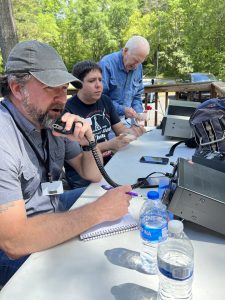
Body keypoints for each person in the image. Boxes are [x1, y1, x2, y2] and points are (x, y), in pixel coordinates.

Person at [0, 40, 133, 286]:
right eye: (53, 88)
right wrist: (98, 212)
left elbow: (90, 173)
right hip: (12, 244)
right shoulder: (3, 137)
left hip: (51, 204)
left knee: (118, 199)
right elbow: (14, 242)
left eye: (64, 88)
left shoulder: (49, 119)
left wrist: (89, 139)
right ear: (17, 88)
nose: (62, 99)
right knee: (90, 273)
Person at [64, 60, 146, 189]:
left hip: (110, 164)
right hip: (83, 174)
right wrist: (110, 144)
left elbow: (120, 129)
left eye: (100, 80)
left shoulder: (105, 100)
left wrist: (133, 131)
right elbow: (78, 153)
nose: (99, 85)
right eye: (92, 81)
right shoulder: (68, 111)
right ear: (78, 84)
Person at [99, 35, 150, 124]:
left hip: (128, 121)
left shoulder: (138, 67)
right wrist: (122, 110)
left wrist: (139, 112)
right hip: (106, 120)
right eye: (135, 60)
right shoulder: (106, 64)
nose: (136, 66)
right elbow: (100, 97)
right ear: (125, 51)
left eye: (140, 62)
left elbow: (137, 95)